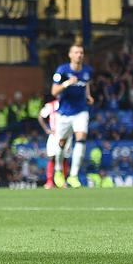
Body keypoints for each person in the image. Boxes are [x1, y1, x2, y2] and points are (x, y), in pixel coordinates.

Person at [50, 44, 93, 188]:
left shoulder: (87, 70)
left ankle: (73, 176)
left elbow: (86, 84)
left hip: (81, 111)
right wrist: (68, 83)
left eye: (81, 52)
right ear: (70, 55)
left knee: (81, 139)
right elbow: (54, 92)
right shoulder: (62, 70)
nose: (79, 55)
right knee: (61, 143)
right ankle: (58, 171)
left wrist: (88, 96)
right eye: (76, 52)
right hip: (64, 113)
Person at [37, 98, 70, 189]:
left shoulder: (69, 104)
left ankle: (63, 182)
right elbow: (40, 116)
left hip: (66, 135)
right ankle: (50, 181)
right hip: (54, 135)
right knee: (52, 157)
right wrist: (46, 129)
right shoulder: (50, 105)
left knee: (64, 158)